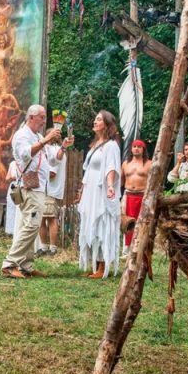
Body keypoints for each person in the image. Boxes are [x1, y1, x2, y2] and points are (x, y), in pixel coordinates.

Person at [1, 105, 70, 278]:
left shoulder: (37, 136)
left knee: (29, 225)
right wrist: (46, 140)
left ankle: (26, 265)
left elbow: (53, 160)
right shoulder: (22, 135)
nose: (44, 120)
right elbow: (25, 155)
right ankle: (9, 264)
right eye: (41, 117)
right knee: (32, 226)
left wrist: (63, 147)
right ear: (31, 117)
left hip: (39, 187)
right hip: (29, 187)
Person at [77, 110, 121, 279]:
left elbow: (112, 167)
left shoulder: (111, 145)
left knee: (102, 223)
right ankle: (95, 263)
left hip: (101, 189)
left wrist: (110, 186)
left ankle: (102, 266)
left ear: (107, 124)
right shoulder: (94, 145)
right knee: (91, 223)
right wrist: (81, 191)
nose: (94, 122)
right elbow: (87, 171)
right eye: (95, 119)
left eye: (98, 120)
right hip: (90, 189)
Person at [120, 139, 152, 259]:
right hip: (128, 195)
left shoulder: (149, 163)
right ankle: (126, 251)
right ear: (131, 149)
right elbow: (121, 182)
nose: (136, 148)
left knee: (141, 222)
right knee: (127, 223)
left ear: (143, 149)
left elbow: (153, 182)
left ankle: (140, 249)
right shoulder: (125, 164)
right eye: (134, 146)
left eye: (139, 146)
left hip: (142, 195)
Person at [39, 135, 70, 257]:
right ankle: (43, 247)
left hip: (50, 190)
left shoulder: (55, 151)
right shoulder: (51, 150)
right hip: (45, 189)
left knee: (50, 218)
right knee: (41, 218)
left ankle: (52, 248)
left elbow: (52, 173)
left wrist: (37, 174)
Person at [4, 158, 21, 236]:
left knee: (20, 208)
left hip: (23, 185)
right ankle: (10, 231)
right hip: (14, 186)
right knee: (12, 208)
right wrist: (12, 177)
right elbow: (7, 177)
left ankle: (19, 230)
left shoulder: (25, 162)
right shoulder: (12, 163)